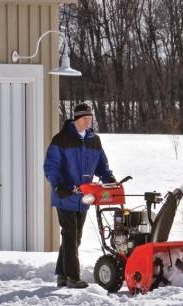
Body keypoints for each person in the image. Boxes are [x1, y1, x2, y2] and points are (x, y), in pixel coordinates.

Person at [43, 103, 116, 288]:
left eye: (90, 119)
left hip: (84, 197)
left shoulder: (94, 140)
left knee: (75, 237)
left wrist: (109, 179)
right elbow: (51, 166)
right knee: (70, 234)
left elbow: (102, 165)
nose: (88, 122)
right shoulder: (62, 139)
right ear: (75, 119)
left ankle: (61, 274)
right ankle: (72, 278)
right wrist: (58, 184)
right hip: (65, 194)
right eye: (84, 119)